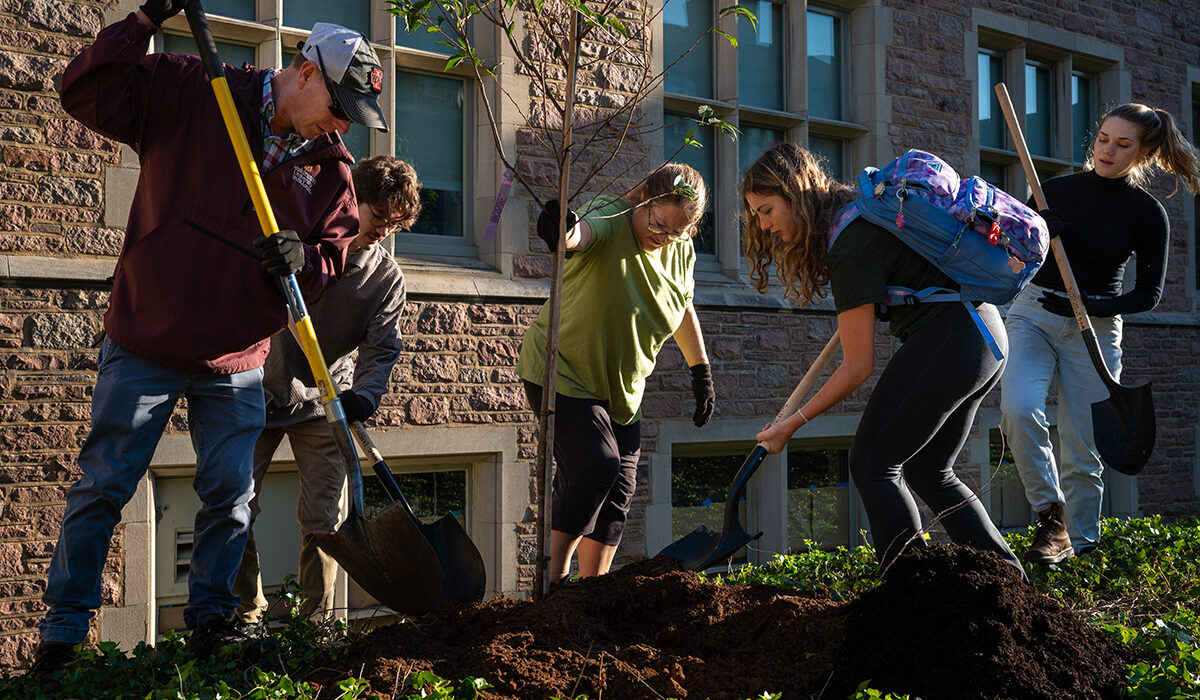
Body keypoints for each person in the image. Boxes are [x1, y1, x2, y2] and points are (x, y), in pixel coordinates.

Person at [33, 1, 390, 689]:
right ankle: (63, 636)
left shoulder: (331, 168)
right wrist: (140, 22)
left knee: (230, 497)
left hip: (236, 358)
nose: (343, 125)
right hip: (148, 336)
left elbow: (332, 256)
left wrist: (303, 261)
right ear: (306, 71)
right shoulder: (194, 90)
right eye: (339, 106)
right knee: (102, 488)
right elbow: (84, 89)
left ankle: (213, 620)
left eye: (353, 117)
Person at [743, 142, 1024, 576]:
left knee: (873, 463)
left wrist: (790, 424)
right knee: (930, 471)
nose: (763, 226)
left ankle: (907, 597)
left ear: (794, 195)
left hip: (956, 338)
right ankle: (1013, 584)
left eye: (766, 210)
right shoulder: (859, 215)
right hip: (985, 336)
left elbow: (857, 367)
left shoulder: (850, 244)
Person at [1002, 103, 1200, 564]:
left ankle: (1083, 546)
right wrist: (1033, 235)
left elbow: (1148, 294)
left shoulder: (1148, 213)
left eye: (1123, 144)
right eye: (1103, 138)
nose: (1107, 150)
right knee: (1019, 409)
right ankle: (1051, 517)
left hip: (1096, 329)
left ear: (1145, 151)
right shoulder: (1050, 192)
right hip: (1032, 313)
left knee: (1083, 443)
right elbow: (1008, 265)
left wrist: (1093, 305)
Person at [233, 155, 420, 624]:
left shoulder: (385, 279)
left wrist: (367, 395)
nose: (383, 231)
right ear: (352, 199)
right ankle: (244, 617)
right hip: (257, 386)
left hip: (322, 402)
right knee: (232, 506)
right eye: (378, 216)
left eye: (394, 225)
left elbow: (381, 349)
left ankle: (310, 628)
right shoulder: (301, 237)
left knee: (327, 523)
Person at [517, 164, 717, 583]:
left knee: (621, 488)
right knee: (595, 466)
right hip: (563, 371)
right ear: (643, 198)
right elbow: (581, 236)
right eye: (659, 225)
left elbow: (681, 305)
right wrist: (563, 231)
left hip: (623, 387)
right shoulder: (610, 217)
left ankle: (594, 589)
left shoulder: (680, 249)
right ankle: (553, 582)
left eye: (676, 232)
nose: (663, 238)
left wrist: (701, 371)